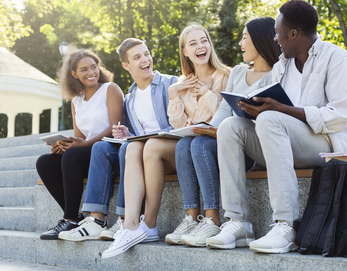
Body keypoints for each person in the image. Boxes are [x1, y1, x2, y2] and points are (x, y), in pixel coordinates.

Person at [206, 0, 347, 253]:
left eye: (278, 33)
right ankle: (238, 222)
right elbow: (263, 101)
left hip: (326, 145)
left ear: (293, 33)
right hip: (283, 140)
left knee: (270, 118)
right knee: (230, 127)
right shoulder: (282, 66)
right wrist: (249, 106)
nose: (275, 39)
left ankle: (287, 224)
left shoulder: (337, 59)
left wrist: (280, 110)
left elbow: (339, 116)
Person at [102, 23, 230, 259]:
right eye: (193, 43)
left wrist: (206, 92)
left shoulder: (227, 76)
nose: (200, 47)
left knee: (153, 146)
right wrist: (175, 95)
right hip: (186, 143)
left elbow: (226, 116)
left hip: (211, 143)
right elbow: (179, 125)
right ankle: (132, 225)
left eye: (203, 41)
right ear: (184, 51)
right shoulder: (181, 84)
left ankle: (149, 222)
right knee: (131, 148)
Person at [165, 17, 281, 247]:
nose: (239, 43)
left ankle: (212, 219)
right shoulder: (238, 72)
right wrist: (208, 128)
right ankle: (194, 218)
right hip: (229, 138)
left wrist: (214, 129)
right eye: (192, 43)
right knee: (187, 143)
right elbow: (224, 110)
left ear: (259, 40)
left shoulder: (278, 73)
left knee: (199, 145)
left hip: (256, 144)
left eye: (244, 38)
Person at [57, 39, 179, 241]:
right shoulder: (130, 98)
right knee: (115, 148)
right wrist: (126, 134)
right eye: (137, 57)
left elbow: (180, 124)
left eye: (146, 54)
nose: (145, 59)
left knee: (121, 149)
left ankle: (124, 219)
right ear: (126, 65)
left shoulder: (171, 83)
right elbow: (130, 133)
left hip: (167, 151)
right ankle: (95, 220)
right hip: (141, 152)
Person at [37, 48, 124, 240]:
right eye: (84, 69)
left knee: (72, 155)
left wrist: (82, 145)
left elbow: (115, 127)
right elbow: (80, 136)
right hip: (87, 152)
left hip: (110, 151)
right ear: (74, 74)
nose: (91, 72)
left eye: (94, 67)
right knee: (45, 162)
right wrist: (64, 144)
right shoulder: (76, 100)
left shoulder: (110, 89)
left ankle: (69, 219)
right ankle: (75, 217)